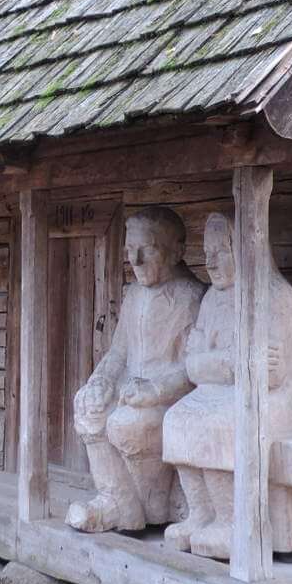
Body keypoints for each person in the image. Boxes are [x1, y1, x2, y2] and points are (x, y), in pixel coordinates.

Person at [162, 212, 292, 560]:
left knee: (219, 424)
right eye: (207, 250)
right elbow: (193, 366)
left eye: (222, 250)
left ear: (248, 249)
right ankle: (201, 513)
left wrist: (218, 363)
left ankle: (231, 522)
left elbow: (271, 373)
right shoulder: (212, 300)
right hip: (223, 392)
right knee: (176, 417)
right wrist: (233, 361)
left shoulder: (275, 295)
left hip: (285, 399)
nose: (210, 260)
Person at [66, 207, 204, 533]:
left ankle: (146, 507)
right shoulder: (134, 295)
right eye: (130, 250)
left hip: (171, 401)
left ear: (178, 251)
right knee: (87, 406)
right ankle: (115, 500)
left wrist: (155, 391)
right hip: (130, 392)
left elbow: (194, 369)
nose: (136, 259)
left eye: (148, 249)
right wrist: (100, 381)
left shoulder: (194, 298)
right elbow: (118, 353)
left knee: (128, 424)